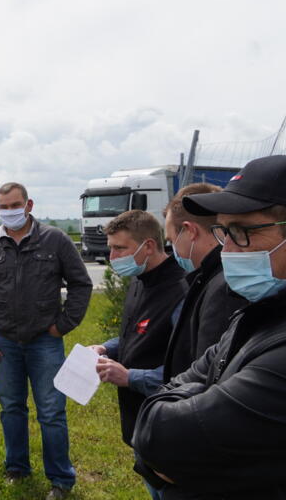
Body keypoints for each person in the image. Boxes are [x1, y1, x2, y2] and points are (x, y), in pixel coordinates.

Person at [133, 154, 286, 498]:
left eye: (241, 232)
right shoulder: (266, 312)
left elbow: (161, 438)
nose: (226, 249)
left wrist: (176, 412)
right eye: (224, 231)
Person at [0, 182, 93, 499]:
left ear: (29, 204)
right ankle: (17, 469)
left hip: (44, 342)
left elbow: (81, 284)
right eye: (4, 206)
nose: (10, 211)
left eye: (15, 204)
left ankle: (61, 480)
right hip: (3, 343)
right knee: (11, 409)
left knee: (51, 411)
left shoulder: (56, 240)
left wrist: (62, 326)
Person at [91, 210, 186, 500]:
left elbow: (187, 370)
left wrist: (130, 377)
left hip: (171, 426)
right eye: (110, 248)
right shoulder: (138, 280)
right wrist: (108, 348)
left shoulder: (181, 290)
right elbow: (135, 334)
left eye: (120, 248)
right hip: (139, 425)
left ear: (148, 246)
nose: (112, 256)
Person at [161, 183, 248, 381]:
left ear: (189, 231)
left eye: (171, 240)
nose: (172, 249)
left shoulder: (221, 287)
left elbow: (207, 377)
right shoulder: (210, 278)